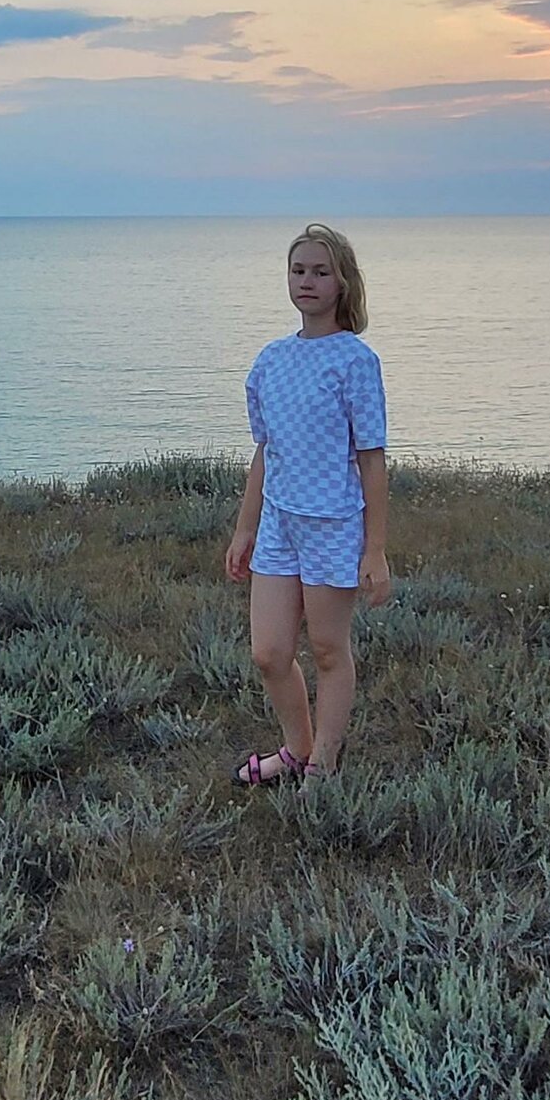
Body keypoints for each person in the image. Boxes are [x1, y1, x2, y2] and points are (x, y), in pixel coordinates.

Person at [226, 221, 390, 783]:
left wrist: (375, 551)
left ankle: (323, 764)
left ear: (342, 282)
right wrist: (245, 529)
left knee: (326, 650)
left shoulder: (355, 361)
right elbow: (265, 451)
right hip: (278, 526)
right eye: (299, 271)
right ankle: (296, 749)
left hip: (333, 527)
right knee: (269, 653)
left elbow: (372, 459)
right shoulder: (271, 360)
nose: (308, 282)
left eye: (321, 272)